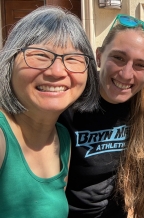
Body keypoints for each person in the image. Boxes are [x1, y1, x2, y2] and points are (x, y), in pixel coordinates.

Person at [58, 14, 144, 218]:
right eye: (118, 58)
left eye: (141, 65)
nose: (126, 74)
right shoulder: (68, 102)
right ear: (99, 56)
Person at [0, 6, 99, 218]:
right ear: (9, 62)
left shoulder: (62, 139)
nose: (56, 72)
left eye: (73, 58)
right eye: (40, 55)